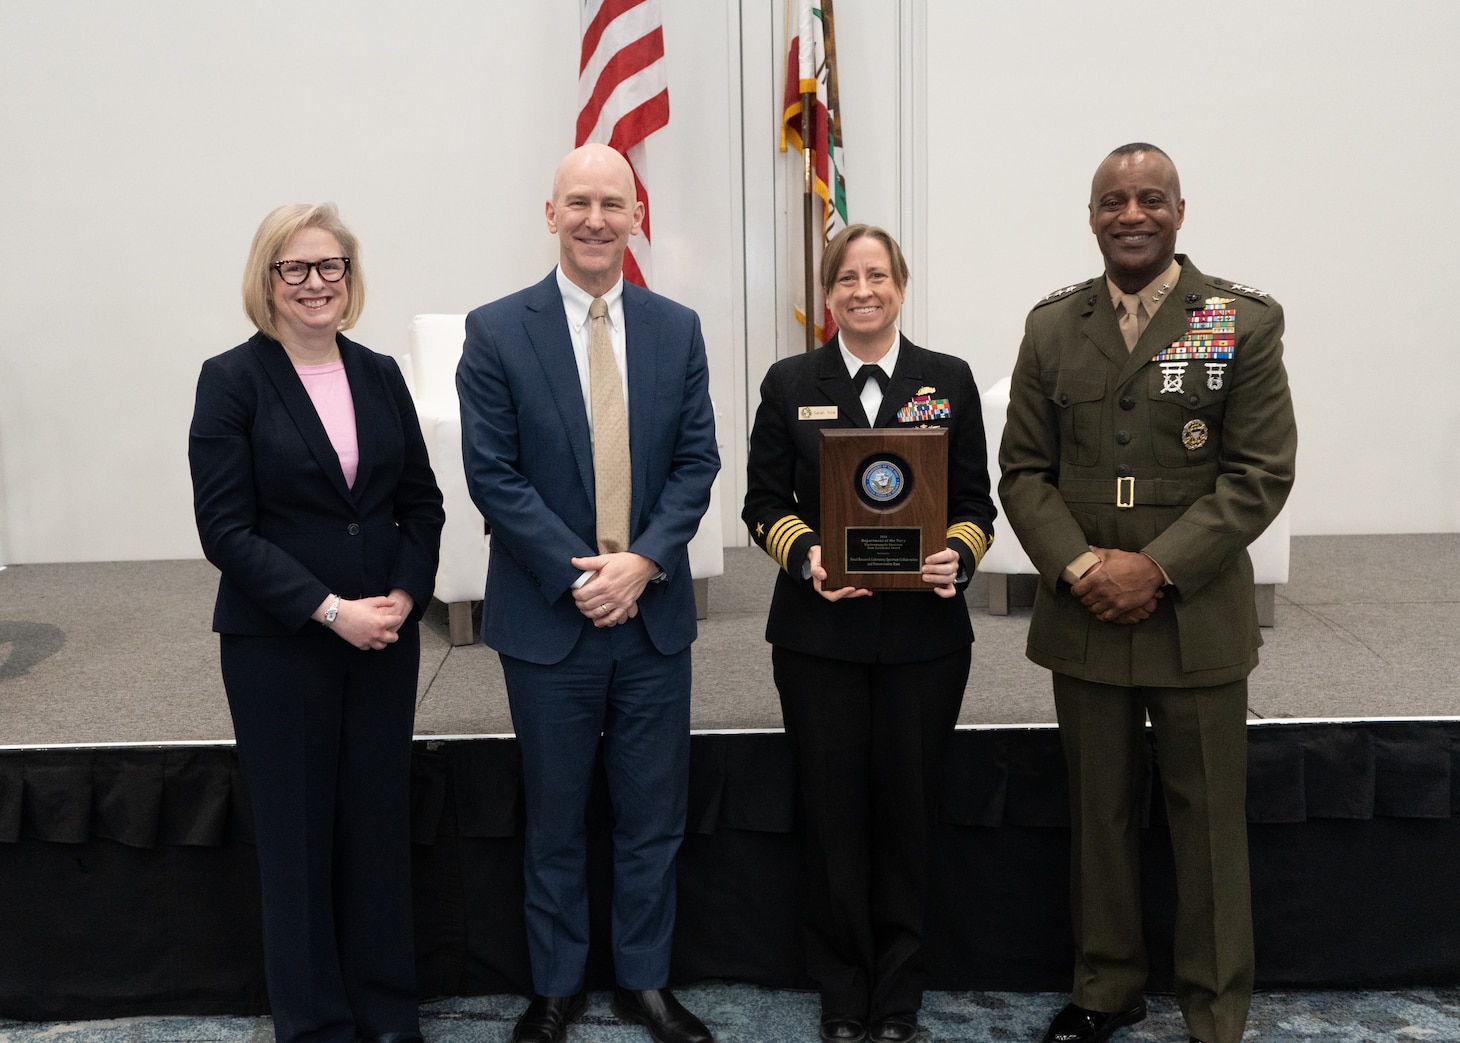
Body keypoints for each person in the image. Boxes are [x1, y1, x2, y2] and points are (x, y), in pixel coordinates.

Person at [998, 144, 1297, 1043]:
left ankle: (1214, 1009)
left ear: (1179, 210)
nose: (1132, 213)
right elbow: (1022, 471)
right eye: (1113, 200)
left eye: (1150, 199)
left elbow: (1258, 472)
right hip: (1084, 611)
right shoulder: (1053, 327)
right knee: (1100, 810)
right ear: (1091, 216)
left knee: (1206, 819)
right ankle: (1105, 987)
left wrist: (1155, 566)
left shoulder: (1238, 321)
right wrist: (1083, 567)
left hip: (1194, 611)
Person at [456, 143, 721, 1043]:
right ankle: (557, 986)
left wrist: (641, 563)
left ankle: (645, 982)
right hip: (549, 617)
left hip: (651, 617)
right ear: (551, 212)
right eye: (580, 202)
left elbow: (697, 465)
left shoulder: (676, 328)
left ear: (637, 214)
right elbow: (493, 476)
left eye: (614, 202)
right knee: (556, 815)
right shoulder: (496, 330)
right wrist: (584, 577)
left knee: (653, 816)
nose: (597, 219)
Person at [189, 203, 444, 1043]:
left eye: (329, 266)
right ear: (267, 281)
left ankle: (386, 1013)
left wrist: (406, 598)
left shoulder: (378, 374)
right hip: (282, 644)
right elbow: (225, 530)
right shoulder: (231, 379)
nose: (314, 283)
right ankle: (316, 1026)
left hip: (382, 636)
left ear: (349, 275)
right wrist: (329, 610)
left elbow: (422, 503)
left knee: (376, 830)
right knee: (297, 842)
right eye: (294, 269)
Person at [743, 224, 996, 1043]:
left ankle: (899, 991)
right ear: (827, 292)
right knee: (833, 813)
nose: (863, 289)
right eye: (847, 277)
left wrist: (954, 555)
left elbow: (974, 505)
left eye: (878, 275)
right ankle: (841, 989)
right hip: (821, 638)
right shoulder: (791, 382)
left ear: (901, 284)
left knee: (909, 812)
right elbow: (761, 504)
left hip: (924, 640)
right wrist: (808, 554)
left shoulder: (945, 379)